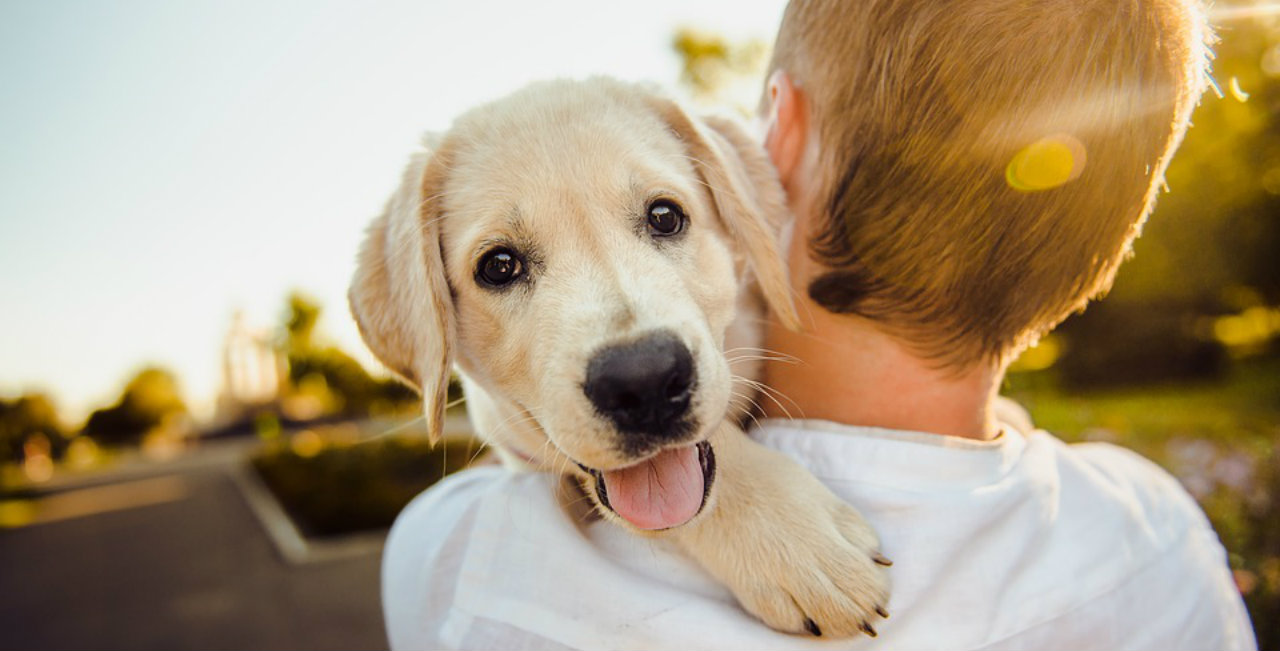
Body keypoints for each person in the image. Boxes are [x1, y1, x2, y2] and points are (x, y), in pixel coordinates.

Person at [381, 0, 1257, 648]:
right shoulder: (1163, 539)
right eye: (503, 267)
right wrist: (726, 498)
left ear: (773, 147)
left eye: (662, 218)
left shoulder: (462, 563)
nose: (635, 345)